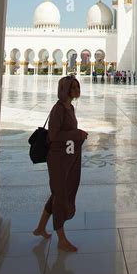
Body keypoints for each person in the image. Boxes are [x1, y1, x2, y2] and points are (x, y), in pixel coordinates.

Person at [33, 75, 88, 252]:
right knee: (60, 195)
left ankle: (41, 227)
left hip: (67, 156)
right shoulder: (58, 109)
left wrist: (77, 135)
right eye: (73, 88)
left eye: (77, 87)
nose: (76, 91)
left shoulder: (69, 107)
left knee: (58, 192)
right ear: (64, 90)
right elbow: (53, 136)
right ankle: (61, 238)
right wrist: (76, 134)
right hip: (57, 159)